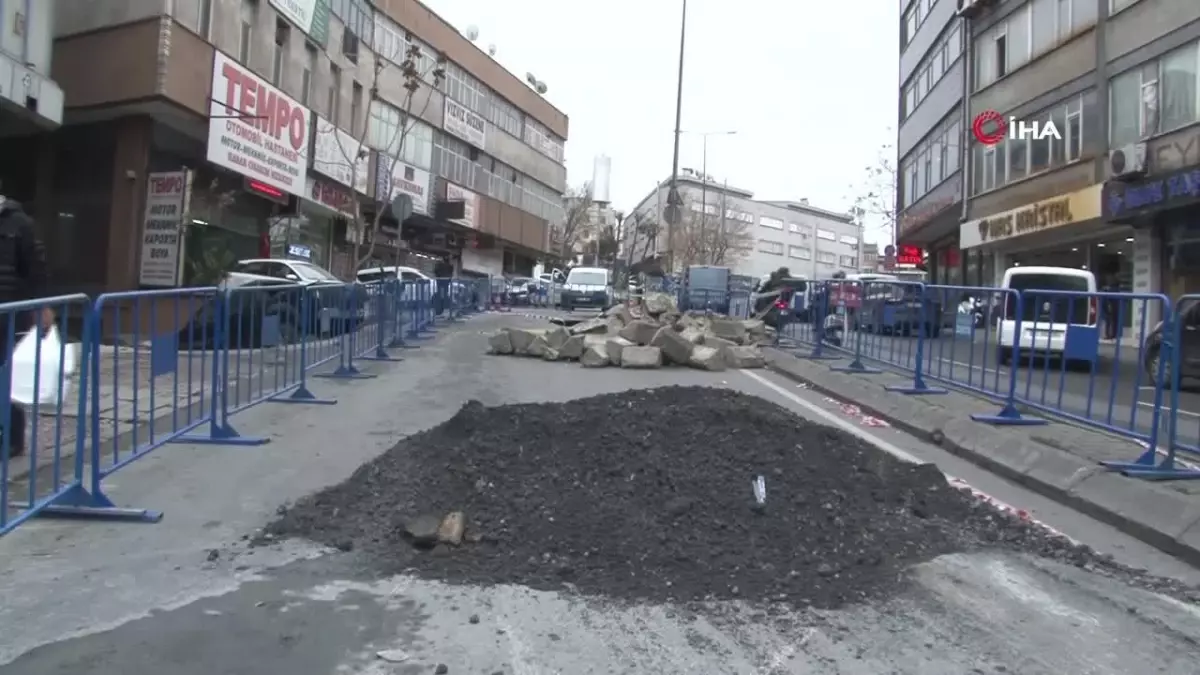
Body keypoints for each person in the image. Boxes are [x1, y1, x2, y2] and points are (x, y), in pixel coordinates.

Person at [0, 197, 51, 459]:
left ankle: (11, 438)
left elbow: (36, 269)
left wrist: (41, 307)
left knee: (8, 376)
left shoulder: (19, 223)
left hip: (9, 313)